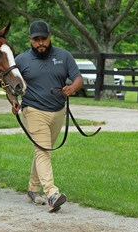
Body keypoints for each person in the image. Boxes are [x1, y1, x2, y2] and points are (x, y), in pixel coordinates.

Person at [12, 20, 83, 212]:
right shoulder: (21, 60)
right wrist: (13, 101)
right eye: (36, 40)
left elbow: (78, 78)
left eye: (44, 38)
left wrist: (73, 88)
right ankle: (52, 194)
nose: (40, 43)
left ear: (50, 37)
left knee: (43, 150)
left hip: (58, 110)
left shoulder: (64, 56)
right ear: (30, 40)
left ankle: (32, 190)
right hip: (33, 110)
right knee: (43, 150)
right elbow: (10, 83)